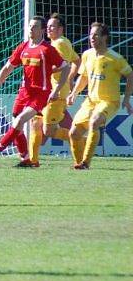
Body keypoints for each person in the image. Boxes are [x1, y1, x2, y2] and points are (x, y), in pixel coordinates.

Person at [0, 16, 68, 165]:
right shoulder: (23, 47)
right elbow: (7, 68)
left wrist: (56, 90)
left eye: (34, 27)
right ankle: (25, 158)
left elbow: (66, 67)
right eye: (30, 26)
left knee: (20, 120)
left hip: (41, 93)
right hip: (24, 92)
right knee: (16, 122)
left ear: (41, 30)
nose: (31, 29)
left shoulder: (47, 49)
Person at [66, 22, 133, 170]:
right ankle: (79, 165)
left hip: (109, 101)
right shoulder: (87, 55)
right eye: (91, 35)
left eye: (96, 34)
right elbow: (83, 77)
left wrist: (127, 99)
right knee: (74, 133)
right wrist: (74, 94)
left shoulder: (115, 58)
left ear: (105, 37)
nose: (92, 37)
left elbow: (130, 75)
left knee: (94, 121)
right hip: (91, 102)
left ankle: (85, 162)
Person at [27, 13, 81, 167]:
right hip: (46, 92)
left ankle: (78, 139)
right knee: (35, 124)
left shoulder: (60, 43)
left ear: (61, 29)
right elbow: (77, 61)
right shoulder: (58, 43)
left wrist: (39, 68)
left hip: (54, 94)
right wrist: (70, 78)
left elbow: (60, 66)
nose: (49, 28)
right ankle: (32, 161)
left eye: (53, 26)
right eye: (48, 26)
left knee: (48, 131)